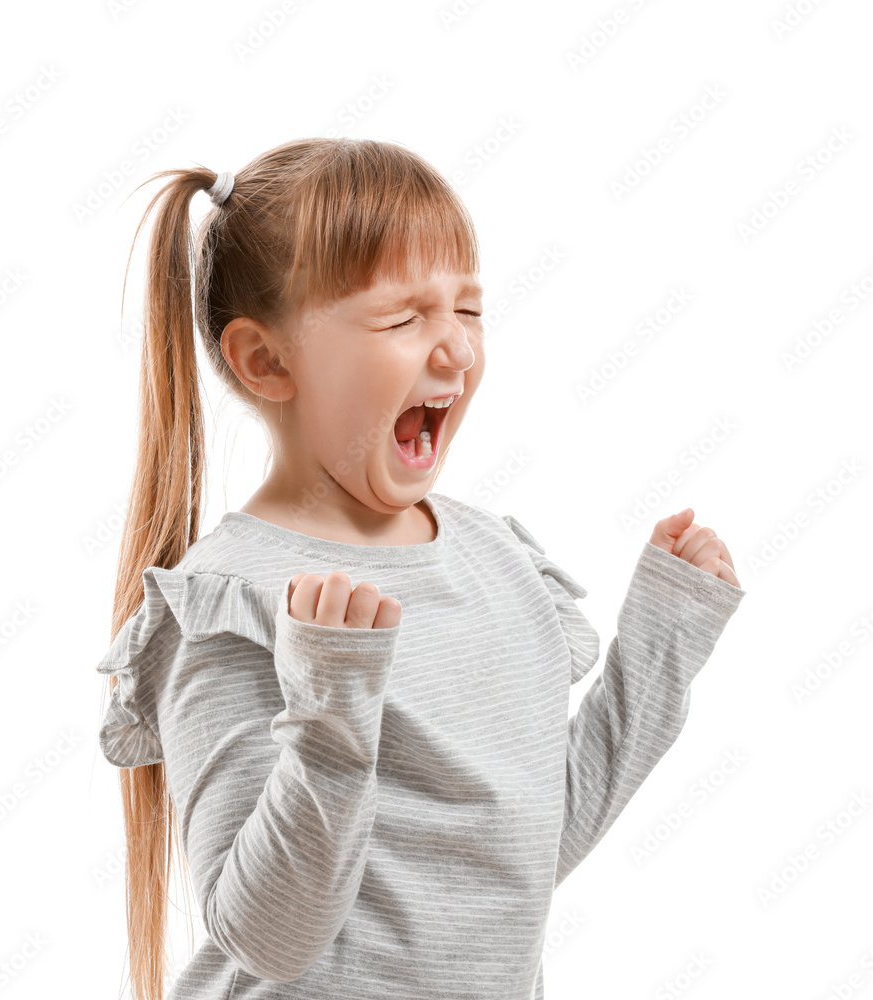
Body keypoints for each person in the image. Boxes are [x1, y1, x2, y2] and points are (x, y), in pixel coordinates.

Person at [94, 137, 746, 1000]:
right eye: (404, 318)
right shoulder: (232, 601)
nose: (456, 352)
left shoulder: (497, 565)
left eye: (468, 312)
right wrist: (332, 702)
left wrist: (658, 645)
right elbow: (267, 935)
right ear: (266, 360)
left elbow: (527, 845)